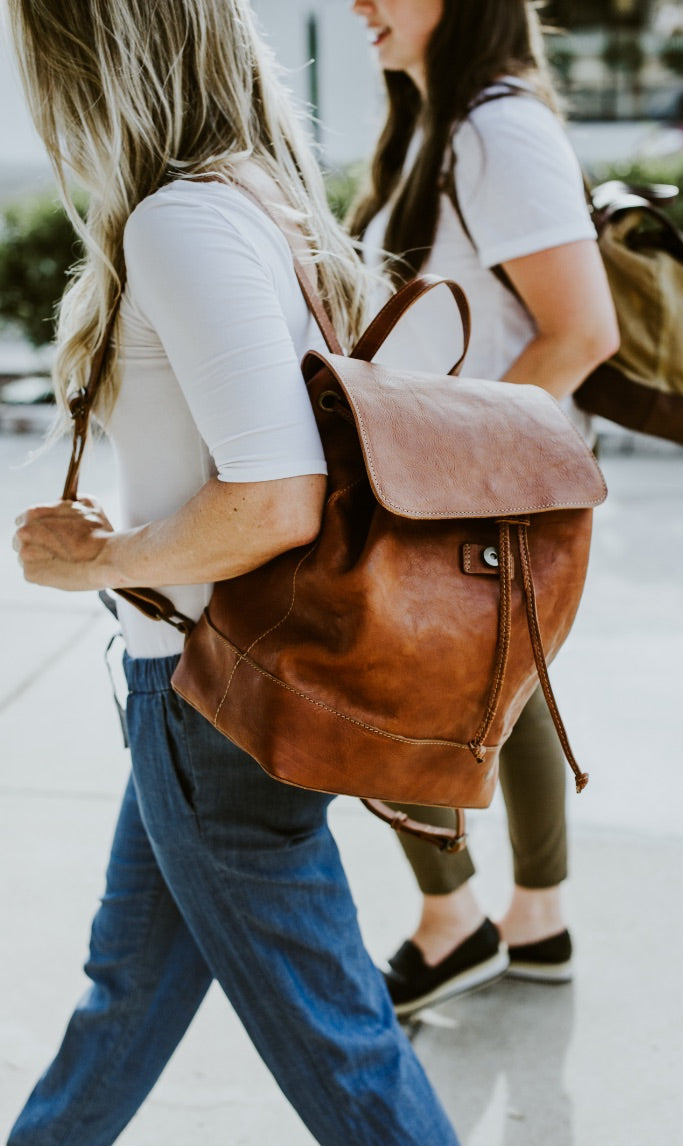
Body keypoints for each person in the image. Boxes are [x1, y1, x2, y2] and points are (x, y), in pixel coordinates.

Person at [8, 1, 460, 1142]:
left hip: (214, 703)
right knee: (124, 1002)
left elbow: (273, 499)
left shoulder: (184, 221)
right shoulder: (258, 199)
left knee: (346, 1050)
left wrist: (98, 560)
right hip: (212, 694)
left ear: (85, 58)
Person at [349, 0, 619, 1016]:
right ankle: (536, 921)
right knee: (509, 683)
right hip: (454, 479)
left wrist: (461, 472)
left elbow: (582, 331)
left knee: (401, 690)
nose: (360, 3)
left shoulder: (497, 128)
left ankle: (450, 923)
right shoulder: (440, 123)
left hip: (472, 486)